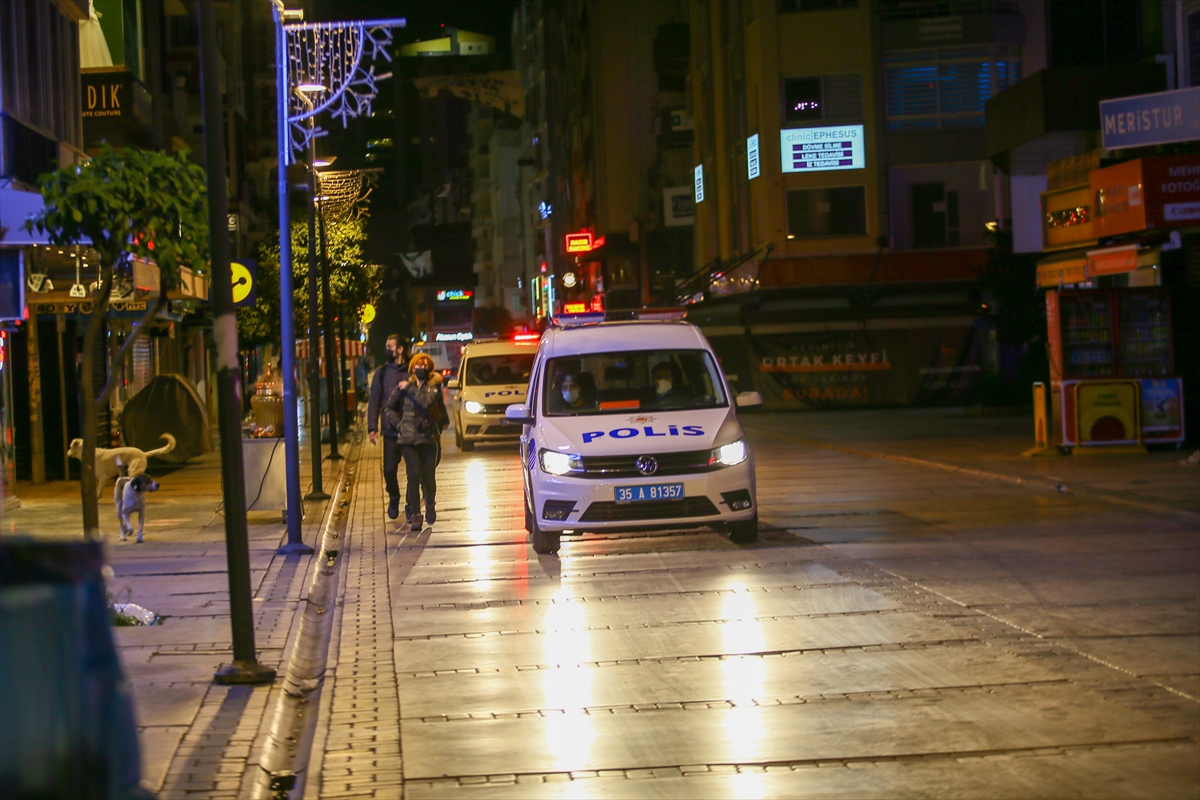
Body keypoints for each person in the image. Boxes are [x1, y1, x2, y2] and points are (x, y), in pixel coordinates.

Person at [384, 353, 448, 530]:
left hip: (429, 440)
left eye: (426, 365)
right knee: (413, 476)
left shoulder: (433, 386)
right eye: (418, 365)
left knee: (428, 478)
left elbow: (427, 403)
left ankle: (429, 503)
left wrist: (409, 389)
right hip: (408, 439)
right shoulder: (403, 387)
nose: (422, 368)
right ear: (412, 368)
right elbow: (389, 407)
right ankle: (415, 514)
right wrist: (400, 424)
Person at [367, 334, 408, 519]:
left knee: (414, 471)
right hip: (390, 430)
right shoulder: (381, 373)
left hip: (410, 430)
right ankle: (394, 496)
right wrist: (372, 427)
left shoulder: (412, 370)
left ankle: (411, 505)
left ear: (400, 350)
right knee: (389, 470)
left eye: (390, 346)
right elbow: (374, 401)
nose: (387, 349)